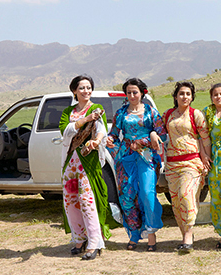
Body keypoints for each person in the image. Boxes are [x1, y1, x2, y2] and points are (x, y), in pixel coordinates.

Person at [106, 78, 167, 251]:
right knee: (127, 196)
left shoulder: (151, 112)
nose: (132, 95)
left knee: (147, 193)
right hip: (125, 158)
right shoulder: (121, 113)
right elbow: (114, 133)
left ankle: (151, 233)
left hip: (146, 158)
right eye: (129, 92)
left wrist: (146, 139)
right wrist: (111, 141)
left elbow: (162, 135)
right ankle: (133, 234)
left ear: (142, 93)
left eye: (135, 92)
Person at [59, 74, 111, 260]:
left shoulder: (97, 109)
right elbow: (65, 131)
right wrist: (85, 119)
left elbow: (101, 131)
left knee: (87, 201)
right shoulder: (68, 112)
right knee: (71, 202)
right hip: (70, 162)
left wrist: (95, 142)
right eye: (82, 88)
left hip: (87, 162)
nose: (86, 91)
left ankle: (94, 242)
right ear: (74, 90)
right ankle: (79, 239)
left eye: (89, 87)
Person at [162, 81, 211, 253]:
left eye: (188, 94)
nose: (185, 97)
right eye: (181, 93)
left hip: (192, 163)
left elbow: (204, 138)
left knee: (186, 195)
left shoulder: (196, 114)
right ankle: (185, 235)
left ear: (192, 97)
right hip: (172, 164)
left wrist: (206, 157)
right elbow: (159, 132)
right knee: (175, 201)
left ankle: (188, 235)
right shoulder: (168, 115)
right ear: (175, 96)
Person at [203, 83, 221, 250]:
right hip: (215, 161)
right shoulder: (207, 112)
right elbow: (201, 135)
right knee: (216, 198)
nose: (218, 97)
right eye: (215, 94)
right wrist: (205, 155)